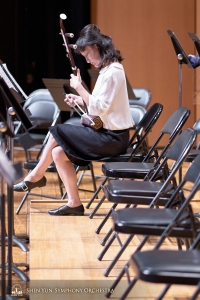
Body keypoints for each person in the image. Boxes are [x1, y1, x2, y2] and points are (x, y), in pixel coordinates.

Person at [14, 24, 134, 216]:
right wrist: (79, 99)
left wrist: (79, 88)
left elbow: (100, 107)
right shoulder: (106, 71)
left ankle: (36, 175)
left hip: (113, 138)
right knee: (59, 153)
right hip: (104, 131)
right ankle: (74, 203)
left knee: (57, 131)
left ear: (96, 46)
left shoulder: (113, 71)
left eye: (87, 55)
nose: (87, 60)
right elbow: (100, 105)